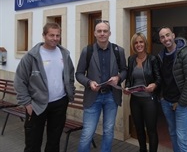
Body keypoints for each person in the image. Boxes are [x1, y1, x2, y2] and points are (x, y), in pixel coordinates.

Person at [14, 22, 75, 152]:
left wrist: (70, 92)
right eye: (51, 35)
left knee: (54, 142)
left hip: (59, 103)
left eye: (57, 35)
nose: (55, 38)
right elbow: (20, 80)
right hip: (36, 105)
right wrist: (26, 103)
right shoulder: (31, 56)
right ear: (44, 35)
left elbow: (70, 74)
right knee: (33, 143)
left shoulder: (64, 54)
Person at [76, 20, 127, 152]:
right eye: (99, 31)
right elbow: (79, 74)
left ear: (109, 33)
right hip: (93, 96)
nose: (102, 33)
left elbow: (124, 70)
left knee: (109, 131)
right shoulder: (87, 51)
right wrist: (89, 82)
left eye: (105, 31)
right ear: (94, 33)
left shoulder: (118, 51)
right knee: (87, 133)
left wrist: (118, 77)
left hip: (111, 96)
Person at [157, 26, 187, 152]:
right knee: (172, 133)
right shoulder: (161, 56)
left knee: (182, 137)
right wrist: (161, 97)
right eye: (162, 37)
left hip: (182, 104)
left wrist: (181, 103)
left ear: (173, 35)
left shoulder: (186, 53)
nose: (165, 38)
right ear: (160, 40)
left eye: (167, 35)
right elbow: (162, 78)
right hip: (166, 101)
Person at [124, 32, 161, 152]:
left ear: (145, 43)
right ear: (133, 45)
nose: (138, 45)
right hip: (135, 100)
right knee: (139, 129)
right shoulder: (131, 59)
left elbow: (159, 78)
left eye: (141, 42)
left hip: (149, 100)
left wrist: (154, 85)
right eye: (136, 43)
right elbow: (129, 79)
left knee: (151, 130)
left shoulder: (153, 59)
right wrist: (127, 88)